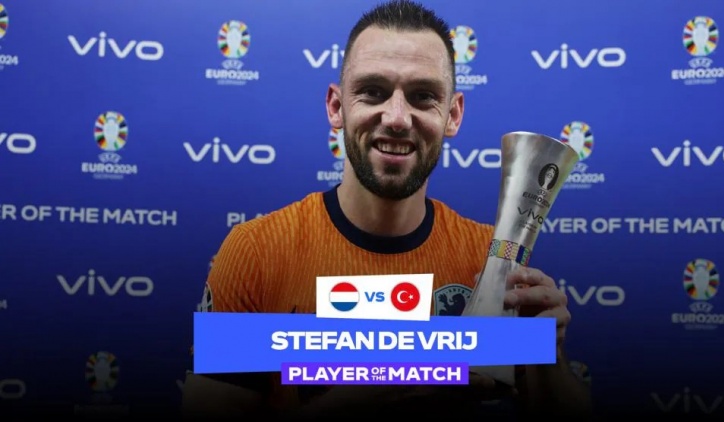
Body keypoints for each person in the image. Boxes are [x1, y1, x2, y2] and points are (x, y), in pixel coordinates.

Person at [181, 0, 592, 419]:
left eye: (422, 96)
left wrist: (546, 359)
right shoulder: (256, 251)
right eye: (373, 91)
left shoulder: (491, 260)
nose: (397, 118)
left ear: (452, 115)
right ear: (336, 107)